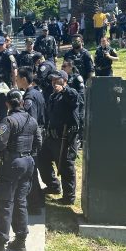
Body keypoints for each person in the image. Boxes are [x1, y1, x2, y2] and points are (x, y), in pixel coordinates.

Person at [0, 90, 42, 251]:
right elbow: (38, 143)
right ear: (22, 102)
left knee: (4, 202)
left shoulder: (7, 121)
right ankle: (21, 241)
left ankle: (0, 243)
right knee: (21, 201)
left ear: (7, 103)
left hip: (12, 164)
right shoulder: (32, 120)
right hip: (28, 162)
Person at [38, 70, 80, 205]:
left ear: (64, 81)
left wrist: (65, 89)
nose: (53, 83)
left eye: (57, 80)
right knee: (41, 159)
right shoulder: (53, 96)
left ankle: (69, 197)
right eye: (52, 80)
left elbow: (75, 99)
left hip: (65, 138)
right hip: (51, 137)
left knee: (66, 167)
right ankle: (53, 186)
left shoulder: (69, 93)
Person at [16, 67, 45, 215]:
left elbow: (30, 121)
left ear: (24, 79)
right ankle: (39, 200)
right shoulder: (36, 93)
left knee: (30, 174)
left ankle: (34, 206)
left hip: (33, 139)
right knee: (32, 173)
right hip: (38, 134)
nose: (15, 80)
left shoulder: (29, 97)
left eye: (17, 78)